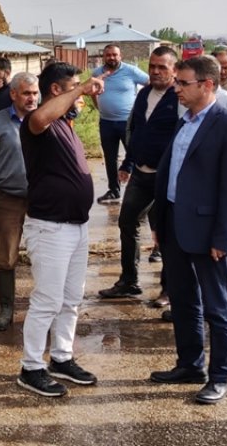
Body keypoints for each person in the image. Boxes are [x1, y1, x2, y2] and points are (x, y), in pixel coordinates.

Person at [149, 55, 227, 404]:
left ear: (207, 85)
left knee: (217, 306)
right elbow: (170, 174)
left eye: (183, 83)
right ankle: (190, 364)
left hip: (209, 233)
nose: (176, 88)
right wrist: (159, 224)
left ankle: (220, 375)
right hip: (176, 226)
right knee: (182, 300)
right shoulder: (185, 121)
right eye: (177, 82)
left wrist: (224, 238)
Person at [15, 62, 104, 397]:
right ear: (57, 89)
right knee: (47, 301)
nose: (80, 89)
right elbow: (37, 118)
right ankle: (31, 367)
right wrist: (78, 90)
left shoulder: (65, 121)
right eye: (73, 85)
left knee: (70, 300)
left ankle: (62, 357)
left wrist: (87, 95)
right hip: (50, 228)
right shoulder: (38, 122)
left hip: (76, 226)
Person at [99, 46, 179, 299]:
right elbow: (136, 130)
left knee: (166, 231)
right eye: (152, 66)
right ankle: (129, 281)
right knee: (127, 223)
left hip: (166, 178)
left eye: (161, 67)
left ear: (174, 70)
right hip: (142, 174)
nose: (155, 71)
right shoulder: (144, 94)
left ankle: (169, 289)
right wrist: (128, 163)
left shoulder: (180, 97)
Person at [0, 72, 39, 331]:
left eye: (35, 93)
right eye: (26, 93)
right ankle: (6, 308)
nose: (32, 98)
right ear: (13, 94)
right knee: (5, 256)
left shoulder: (45, 119)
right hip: (5, 198)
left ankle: (44, 307)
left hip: (39, 198)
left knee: (45, 255)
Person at [92, 44, 149, 204]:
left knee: (136, 157)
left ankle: (139, 193)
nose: (111, 57)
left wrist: (142, 109)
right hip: (106, 123)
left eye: (114, 55)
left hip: (128, 123)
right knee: (110, 158)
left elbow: (150, 84)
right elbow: (92, 91)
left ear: (120, 56)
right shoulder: (97, 73)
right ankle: (114, 190)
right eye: (108, 55)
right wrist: (100, 107)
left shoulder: (131, 71)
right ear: (103, 56)